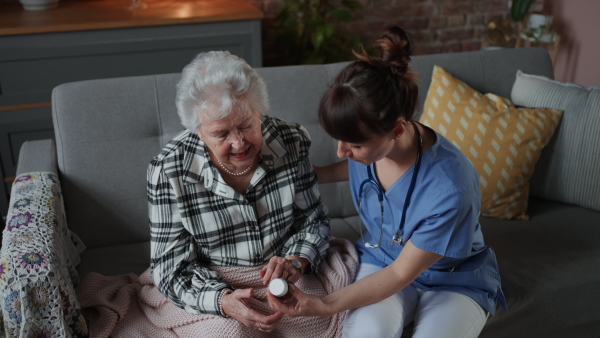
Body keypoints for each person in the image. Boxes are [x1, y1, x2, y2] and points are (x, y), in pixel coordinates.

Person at [267, 26, 507, 337]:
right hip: (381, 258)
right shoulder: (375, 142)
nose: (343, 151)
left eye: (353, 145)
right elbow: (361, 169)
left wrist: (322, 304)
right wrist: (320, 174)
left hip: (451, 280)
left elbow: (399, 274)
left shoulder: (450, 189)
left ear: (396, 130)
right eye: (339, 140)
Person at [147, 51, 336, 333]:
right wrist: (222, 301)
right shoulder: (169, 171)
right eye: (221, 134)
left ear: (258, 110)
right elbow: (169, 268)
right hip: (212, 282)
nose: (238, 143)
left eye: (247, 125)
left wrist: (296, 260)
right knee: (230, 333)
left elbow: (314, 221)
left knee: (331, 317)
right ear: (198, 132)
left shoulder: (291, 141)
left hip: (284, 274)